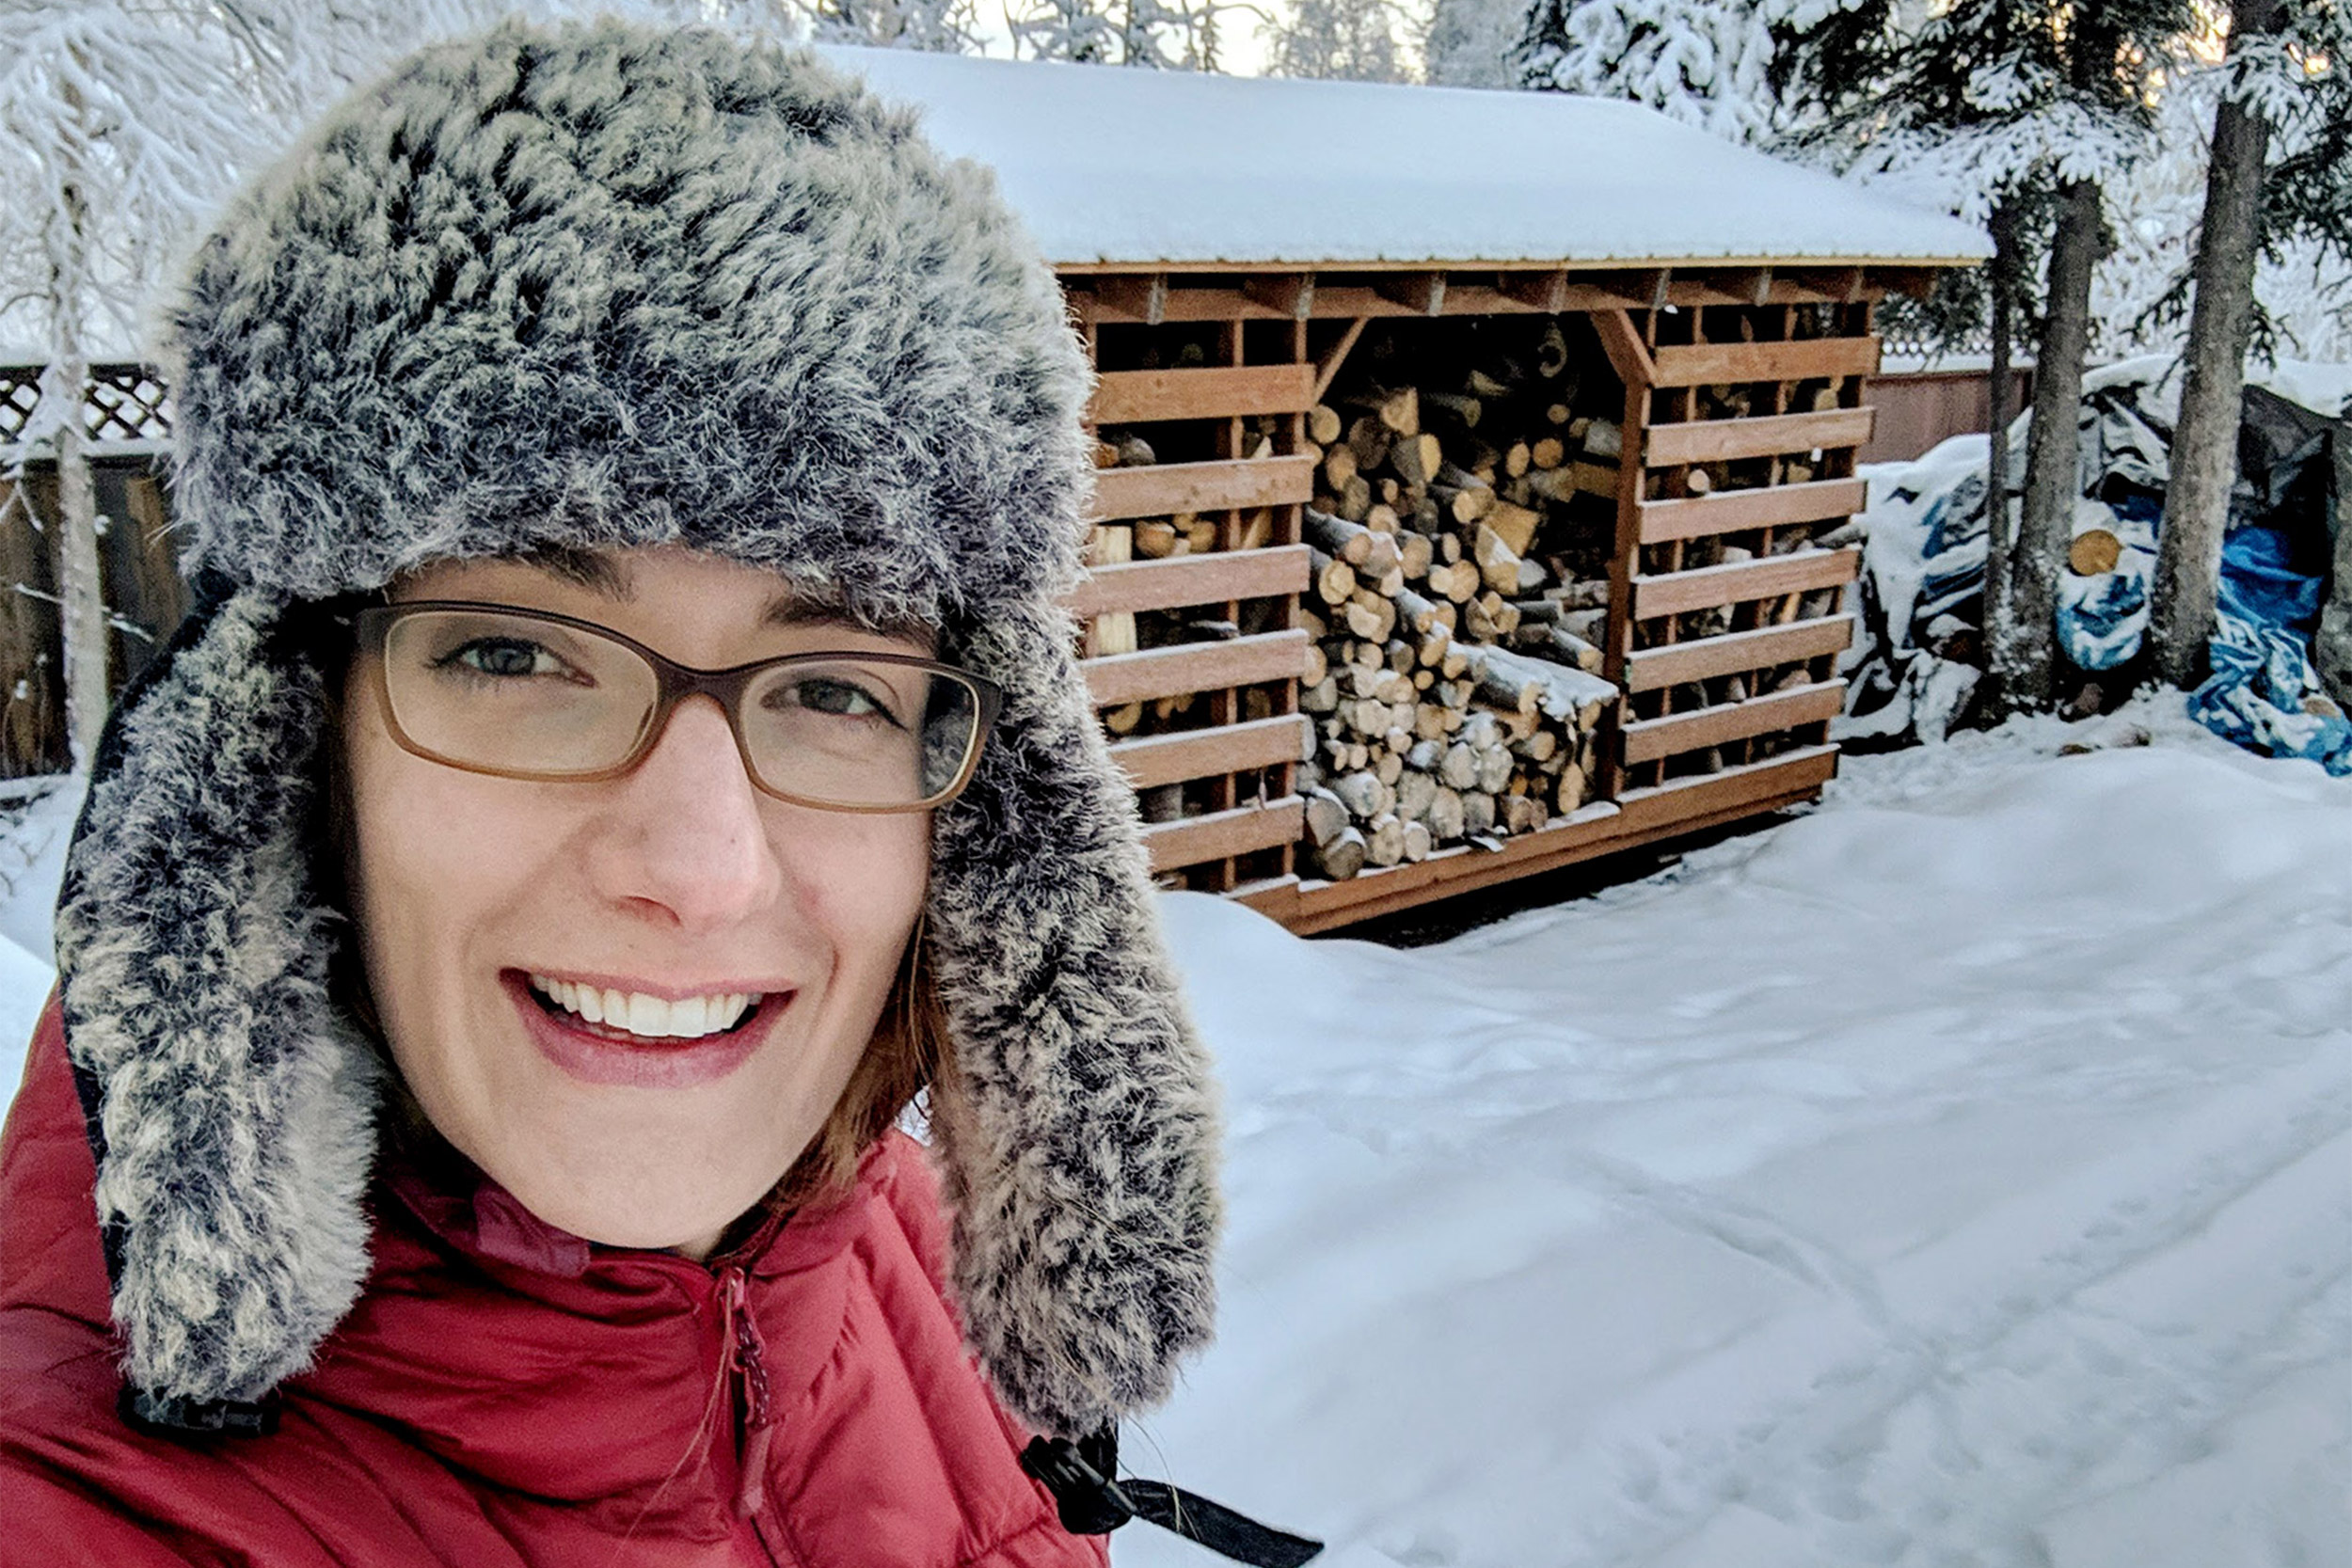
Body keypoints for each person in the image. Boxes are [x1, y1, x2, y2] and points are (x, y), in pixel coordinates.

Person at [0, 20, 1313, 1566]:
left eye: (833, 687)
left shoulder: (910, 1254)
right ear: (284, 759)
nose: (701, 870)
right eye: (515, 655)